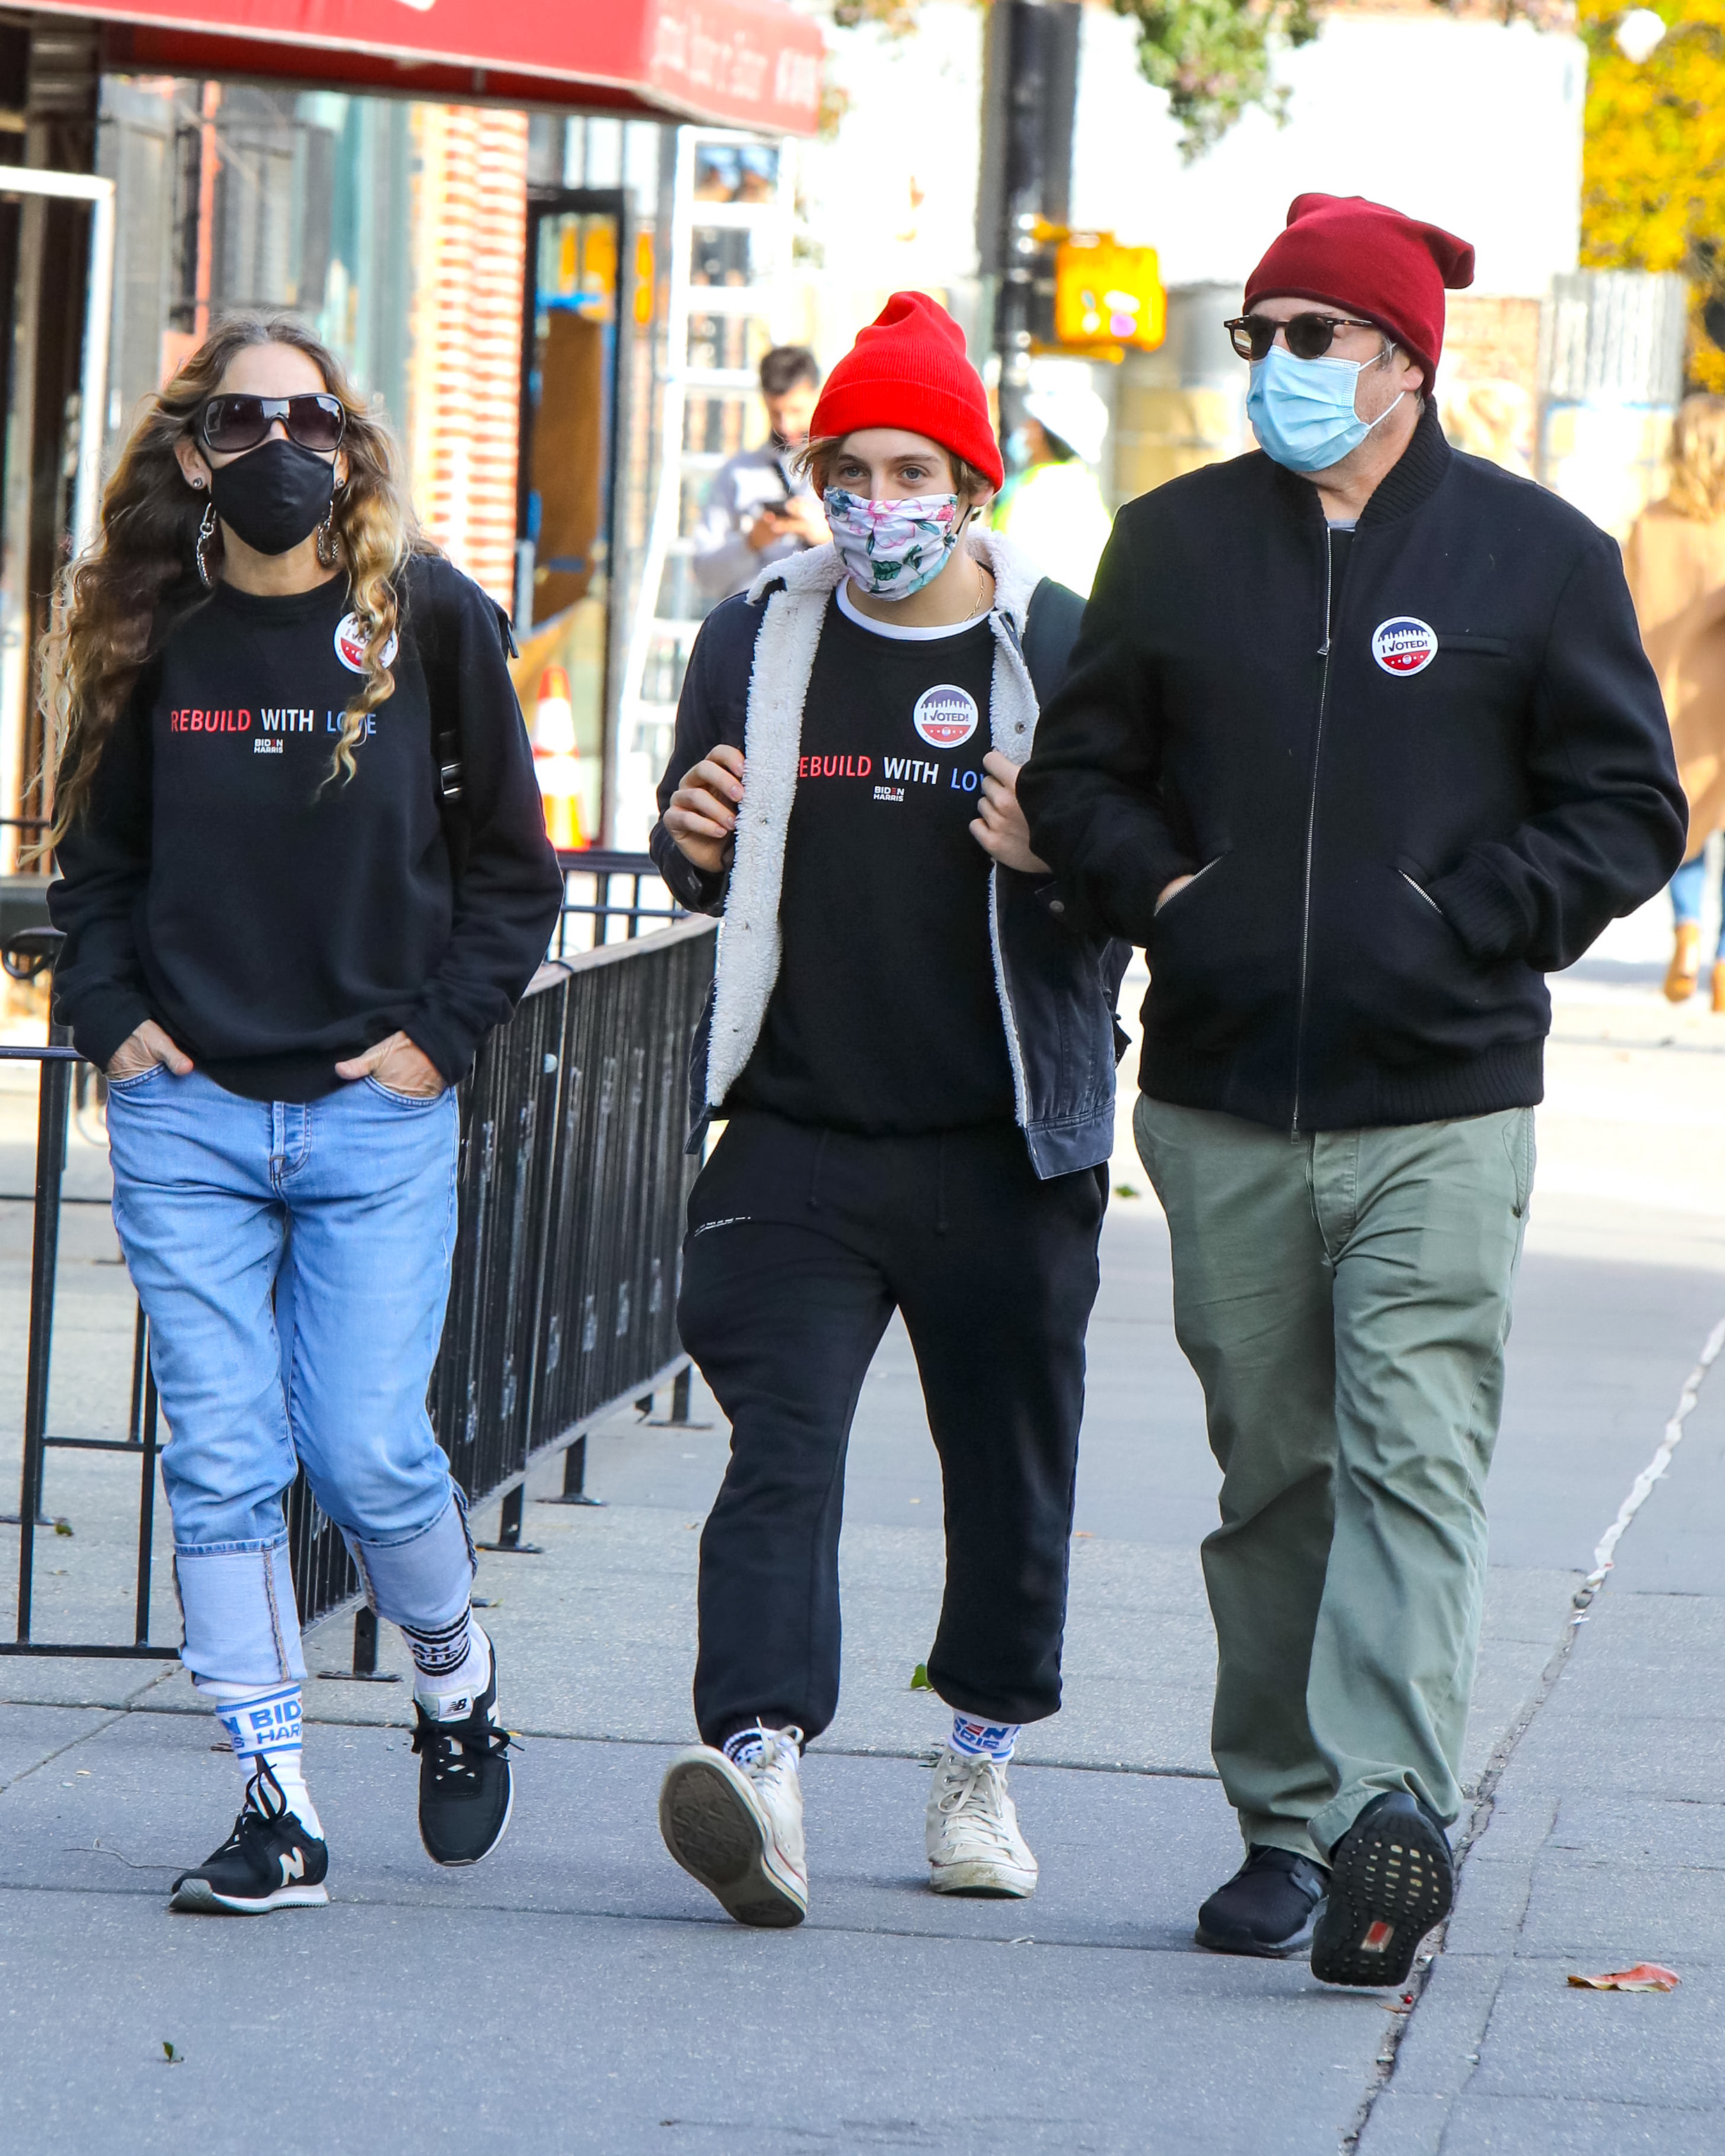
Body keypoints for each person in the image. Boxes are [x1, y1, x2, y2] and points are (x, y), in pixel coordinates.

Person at [1020, 194, 1686, 1987]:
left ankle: (1379, 1821)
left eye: (1310, 337)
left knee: (1412, 1459)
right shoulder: (1167, 547)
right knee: (1275, 1472)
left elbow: (1630, 807)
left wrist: (1466, 922)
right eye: (1260, 337)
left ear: (1401, 359)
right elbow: (1083, 782)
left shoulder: (1534, 558)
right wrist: (1168, 896)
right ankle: (1280, 1816)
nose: (1276, 369)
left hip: (1444, 1104)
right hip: (1227, 1100)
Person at [45, 312, 563, 1915]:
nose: (284, 446)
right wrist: (115, 1021)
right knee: (220, 1455)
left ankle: (454, 1672)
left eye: (315, 419)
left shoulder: (430, 621)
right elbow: (98, 874)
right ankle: (276, 1802)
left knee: (367, 1448)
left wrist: (436, 1037)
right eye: (245, 417)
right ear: (195, 448)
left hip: (370, 1118)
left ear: (353, 443)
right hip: (188, 1115)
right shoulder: (153, 637)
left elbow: (513, 871)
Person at [645, 291, 1129, 1929]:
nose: (873, 499)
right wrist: (689, 832)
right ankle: (762, 1759)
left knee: (1007, 1465)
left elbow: (1137, 885)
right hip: (797, 1135)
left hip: (1004, 1141)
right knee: (779, 1445)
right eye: (846, 465)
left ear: (971, 482)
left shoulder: (1059, 653)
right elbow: (700, 852)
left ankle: (978, 1755)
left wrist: (1059, 863)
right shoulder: (753, 636)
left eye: (909, 465)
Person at [1623, 395, 1725, 1006]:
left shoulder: (1650, 525)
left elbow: (1625, 610)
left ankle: (1685, 934)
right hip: (1719, 699)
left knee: (1684, 819)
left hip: (1665, 694)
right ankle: (1723, 959)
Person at [691, 346, 828, 603]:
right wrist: (751, 543)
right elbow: (704, 574)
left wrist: (826, 537)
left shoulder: (845, 469)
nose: (786, 426)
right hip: (751, 623)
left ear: (817, 395)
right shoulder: (736, 474)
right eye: (776, 413)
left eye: (796, 411)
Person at [992, 367, 1115, 597]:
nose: (1026, 429)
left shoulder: (1030, 496)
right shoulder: (1087, 494)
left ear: (1040, 432)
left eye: (1032, 423)